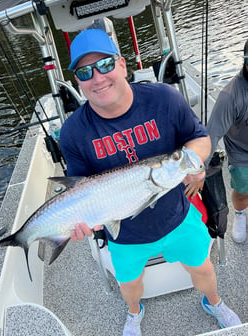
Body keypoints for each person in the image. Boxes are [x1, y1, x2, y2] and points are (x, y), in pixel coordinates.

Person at [59, 29, 241, 335]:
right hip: (124, 235)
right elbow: (81, 186)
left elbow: (199, 139)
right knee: (128, 285)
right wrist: (82, 221)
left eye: (104, 65)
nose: (97, 78)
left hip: (178, 217)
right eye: (84, 71)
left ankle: (214, 302)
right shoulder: (73, 133)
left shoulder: (164, 98)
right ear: (78, 80)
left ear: (121, 65)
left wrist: (194, 162)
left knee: (204, 268)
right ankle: (134, 313)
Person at [186, 40, 248, 244]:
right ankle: (240, 214)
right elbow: (211, 135)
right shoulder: (230, 96)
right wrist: (199, 171)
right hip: (242, 153)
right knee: (242, 185)